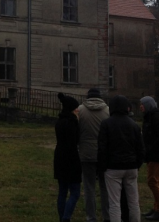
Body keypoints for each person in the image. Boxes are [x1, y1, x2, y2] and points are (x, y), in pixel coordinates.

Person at [97, 95, 144, 222]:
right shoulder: (134, 125)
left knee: (114, 202)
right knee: (133, 201)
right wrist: (137, 164)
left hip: (113, 167)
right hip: (131, 166)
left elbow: (102, 148)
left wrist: (102, 167)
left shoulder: (106, 124)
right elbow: (140, 148)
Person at [78, 87, 110, 222]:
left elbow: (77, 131)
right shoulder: (108, 111)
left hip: (86, 153)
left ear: (88, 97)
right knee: (105, 187)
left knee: (89, 187)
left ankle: (91, 217)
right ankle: (107, 216)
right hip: (103, 154)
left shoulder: (80, 110)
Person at [54, 93, 82, 222]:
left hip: (59, 157)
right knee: (75, 192)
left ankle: (62, 217)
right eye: (76, 108)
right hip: (71, 159)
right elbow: (75, 142)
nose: (77, 110)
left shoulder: (59, 122)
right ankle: (66, 218)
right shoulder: (73, 123)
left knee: (62, 192)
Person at [140, 96, 159, 221]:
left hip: (155, 155)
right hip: (152, 154)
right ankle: (157, 207)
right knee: (157, 181)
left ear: (148, 105)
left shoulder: (155, 117)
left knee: (152, 181)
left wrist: (150, 149)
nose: (140, 106)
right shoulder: (149, 117)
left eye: (142, 104)